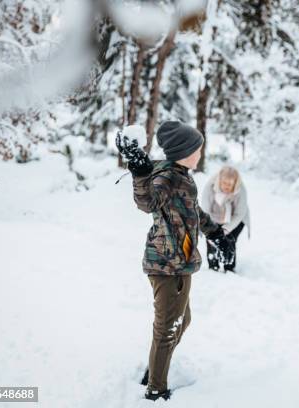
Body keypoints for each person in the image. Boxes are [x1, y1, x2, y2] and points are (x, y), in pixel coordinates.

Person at [116, 121, 229, 401]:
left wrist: (215, 231)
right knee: (167, 329)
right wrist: (140, 171)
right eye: (197, 149)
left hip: (180, 261)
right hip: (167, 263)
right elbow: (148, 203)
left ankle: (156, 369)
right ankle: (156, 388)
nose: (200, 154)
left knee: (182, 320)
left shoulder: (182, 175)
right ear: (183, 151)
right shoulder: (165, 176)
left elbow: (191, 211)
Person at [202, 166, 250, 272]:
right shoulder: (210, 187)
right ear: (219, 181)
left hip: (235, 219)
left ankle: (229, 267)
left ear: (235, 183)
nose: (227, 187)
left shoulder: (240, 190)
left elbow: (239, 213)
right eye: (224, 183)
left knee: (229, 240)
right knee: (212, 240)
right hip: (213, 218)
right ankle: (213, 266)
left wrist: (226, 229)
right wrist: (212, 231)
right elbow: (205, 212)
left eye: (230, 184)